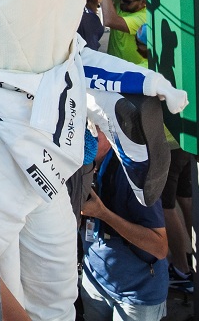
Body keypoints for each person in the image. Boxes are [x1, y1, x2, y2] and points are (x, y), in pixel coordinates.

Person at [79, 131, 169, 320]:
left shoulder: (135, 175)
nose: (84, 136)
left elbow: (160, 248)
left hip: (136, 295)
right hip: (94, 283)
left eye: (92, 130)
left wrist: (102, 214)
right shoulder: (80, 167)